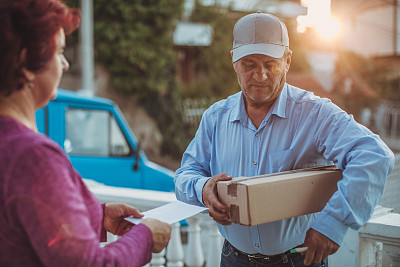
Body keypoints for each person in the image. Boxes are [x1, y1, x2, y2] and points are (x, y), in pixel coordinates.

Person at [175, 11, 395, 267]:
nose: (260, 76)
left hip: (298, 260)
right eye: (249, 65)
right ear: (234, 61)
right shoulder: (215, 117)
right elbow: (185, 174)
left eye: (271, 64)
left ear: (288, 60)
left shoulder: (315, 113)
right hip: (232, 258)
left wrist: (333, 223)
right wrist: (203, 189)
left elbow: (374, 155)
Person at [0, 0, 171, 266]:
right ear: (26, 62)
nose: (65, 64)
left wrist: (96, 217)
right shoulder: (33, 156)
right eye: (58, 52)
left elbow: (24, 223)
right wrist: (145, 236)